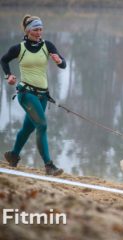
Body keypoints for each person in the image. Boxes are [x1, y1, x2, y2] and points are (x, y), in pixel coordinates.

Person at [1, 15, 66, 176]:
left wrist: (59, 61)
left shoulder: (47, 45)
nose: (39, 32)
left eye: (41, 29)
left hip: (43, 96)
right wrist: (8, 76)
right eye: (35, 29)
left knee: (28, 128)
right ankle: (49, 166)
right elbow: (3, 60)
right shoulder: (19, 48)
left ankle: (13, 155)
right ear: (28, 31)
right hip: (26, 93)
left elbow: (63, 64)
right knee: (42, 125)